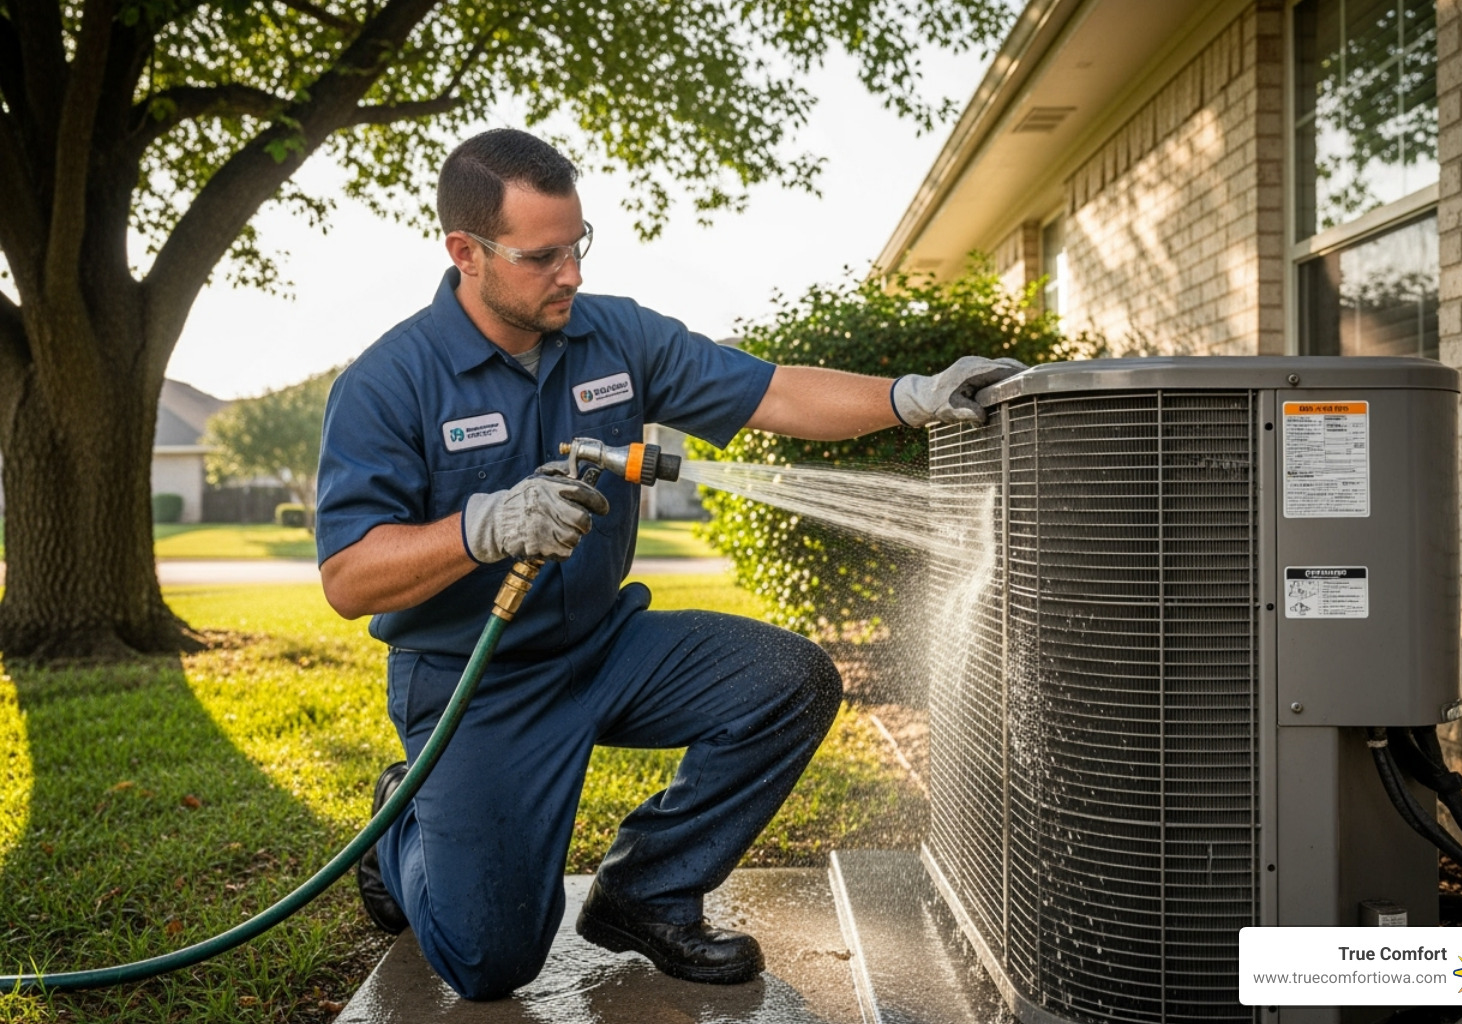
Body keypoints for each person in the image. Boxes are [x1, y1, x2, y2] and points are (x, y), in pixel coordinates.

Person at [315, 128, 1021, 1001]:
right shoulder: (391, 381)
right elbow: (348, 578)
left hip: (603, 649)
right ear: (466, 251)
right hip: (476, 681)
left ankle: (645, 893)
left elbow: (772, 390)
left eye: (576, 246)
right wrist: (482, 527)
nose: (569, 273)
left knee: (786, 679)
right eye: (542, 257)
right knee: (490, 963)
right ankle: (402, 826)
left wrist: (910, 398)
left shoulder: (615, 337)